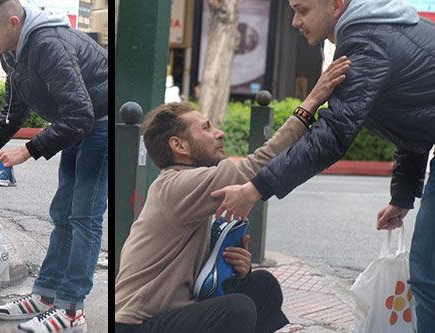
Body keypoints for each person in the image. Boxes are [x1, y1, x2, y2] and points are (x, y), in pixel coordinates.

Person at [212, 0, 435, 329]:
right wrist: (402, 195)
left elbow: (332, 134)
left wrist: (255, 189)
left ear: (335, 5)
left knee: (428, 277)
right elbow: (415, 122)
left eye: (302, 10)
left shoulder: (368, 40)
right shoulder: (380, 31)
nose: (294, 21)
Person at [115, 57, 350, 332]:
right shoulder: (177, 185)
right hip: (138, 323)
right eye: (206, 128)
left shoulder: (192, 186)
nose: (219, 133)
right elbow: (257, 165)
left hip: (177, 311)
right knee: (237, 309)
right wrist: (310, 104)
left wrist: (237, 266)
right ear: (179, 145)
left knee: (261, 285)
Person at [0, 0, 108, 332]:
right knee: (63, 214)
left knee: (84, 218)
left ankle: (72, 311)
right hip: (76, 125)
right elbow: (13, 112)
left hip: (99, 124)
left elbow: (82, 116)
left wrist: (27, 151)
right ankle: (47, 295)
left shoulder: (49, 45)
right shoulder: (12, 50)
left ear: (12, 22)